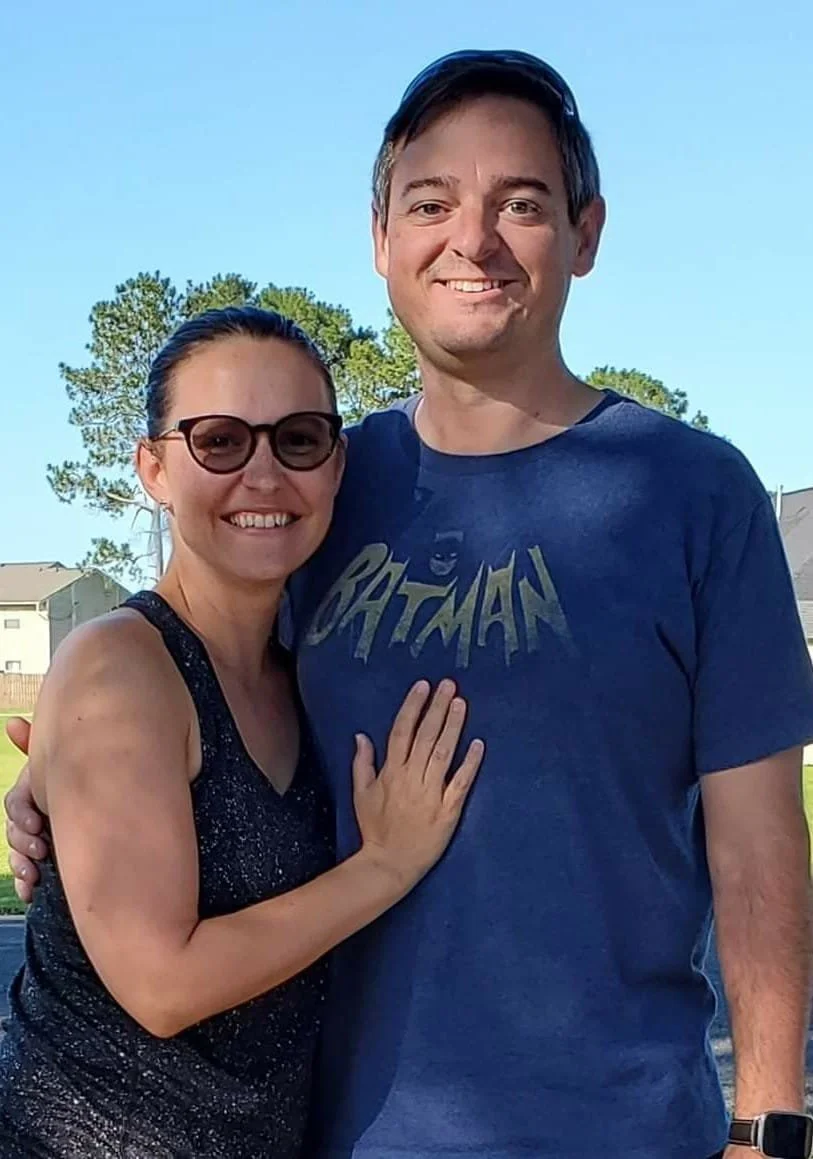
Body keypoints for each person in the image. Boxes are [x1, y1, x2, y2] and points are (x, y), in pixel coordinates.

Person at [8, 48, 813, 1159]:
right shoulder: (324, 483)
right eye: (430, 202)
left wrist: (765, 1122)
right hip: (342, 1132)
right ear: (382, 239)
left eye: (520, 203)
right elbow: (195, 675)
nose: (471, 239)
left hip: (626, 1127)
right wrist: (60, 770)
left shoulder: (693, 492)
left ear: (586, 233)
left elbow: (760, 836)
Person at [0, 306, 483, 1158]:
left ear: (335, 465)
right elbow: (160, 982)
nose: (263, 474)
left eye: (297, 439)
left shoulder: (303, 671)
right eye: (220, 440)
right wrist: (384, 865)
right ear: (153, 467)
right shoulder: (121, 664)